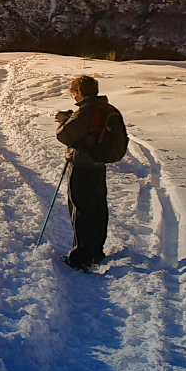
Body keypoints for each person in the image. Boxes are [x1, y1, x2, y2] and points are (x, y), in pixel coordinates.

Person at [52, 74, 125, 272]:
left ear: (79, 92)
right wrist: (71, 118)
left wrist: (63, 123)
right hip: (98, 165)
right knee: (98, 208)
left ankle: (81, 257)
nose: (74, 97)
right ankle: (95, 251)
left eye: (74, 93)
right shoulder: (107, 109)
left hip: (82, 166)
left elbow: (66, 135)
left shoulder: (86, 111)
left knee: (81, 209)